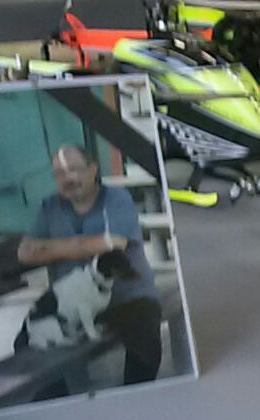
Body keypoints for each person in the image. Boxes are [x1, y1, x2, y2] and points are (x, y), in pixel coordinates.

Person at [17, 144, 162, 385]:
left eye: (74, 169)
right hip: (69, 307)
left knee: (144, 337)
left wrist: (50, 249)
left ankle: (136, 398)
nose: (68, 179)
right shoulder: (49, 207)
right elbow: (24, 253)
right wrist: (84, 245)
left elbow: (114, 245)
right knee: (24, 346)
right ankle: (57, 402)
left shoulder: (116, 199)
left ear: (93, 168)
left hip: (125, 298)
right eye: (59, 173)